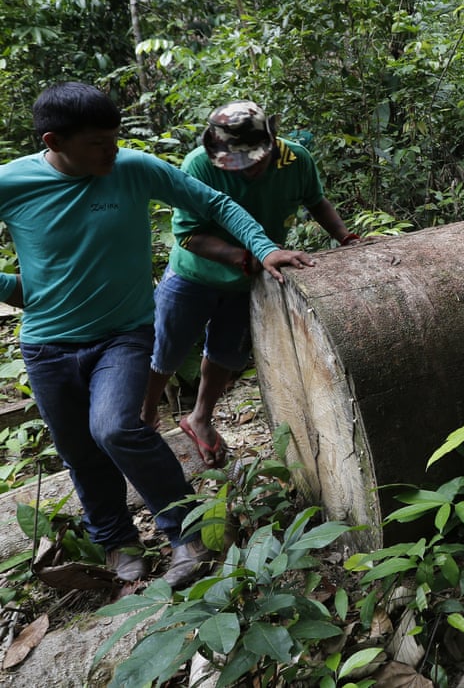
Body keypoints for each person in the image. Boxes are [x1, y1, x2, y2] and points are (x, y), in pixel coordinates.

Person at [0, 82, 316, 589]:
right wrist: (15, 290)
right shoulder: (13, 182)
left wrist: (263, 247)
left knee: (116, 428)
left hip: (123, 333)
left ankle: (186, 534)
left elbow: (215, 203)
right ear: (53, 142)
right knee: (79, 452)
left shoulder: (133, 168)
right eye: (97, 144)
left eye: (114, 138)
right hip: (46, 344)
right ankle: (116, 542)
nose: (113, 151)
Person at [143, 101, 358, 468]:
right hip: (194, 275)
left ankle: (200, 417)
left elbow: (316, 201)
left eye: (252, 161)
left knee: (226, 352)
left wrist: (345, 238)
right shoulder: (199, 165)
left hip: (250, 282)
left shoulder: (296, 159)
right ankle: (145, 416)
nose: (245, 170)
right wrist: (247, 258)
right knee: (166, 349)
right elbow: (189, 235)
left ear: (271, 143)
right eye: (236, 163)